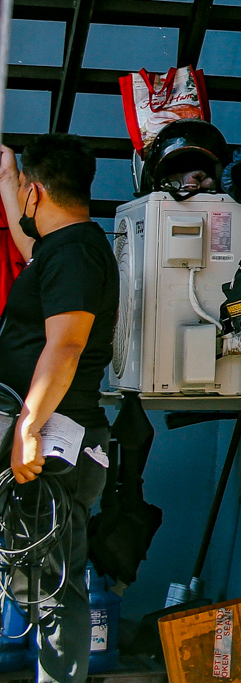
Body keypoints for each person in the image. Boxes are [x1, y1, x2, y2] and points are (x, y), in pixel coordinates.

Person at [0, 136, 117, 683]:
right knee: (41, 580)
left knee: (55, 588)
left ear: (38, 192)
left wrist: (28, 427)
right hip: (42, 437)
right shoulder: (60, 247)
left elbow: (65, 345)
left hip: (55, 442)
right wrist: (8, 176)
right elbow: (28, 244)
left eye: (24, 187)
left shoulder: (75, 254)